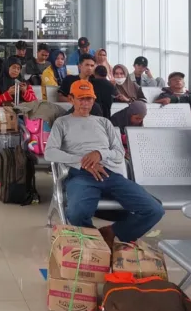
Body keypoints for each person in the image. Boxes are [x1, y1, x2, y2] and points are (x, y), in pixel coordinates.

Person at [44, 81, 164, 249]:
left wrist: (100, 154)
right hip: (80, 175)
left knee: (154, 209)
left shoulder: (104, 122)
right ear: (71, 99)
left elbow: (119, 153)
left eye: (89, 99)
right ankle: (95, 241)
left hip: (109, 173)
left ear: (94, 101)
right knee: (76, 213)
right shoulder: (62, 123)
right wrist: (83, 162)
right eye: (81, 99)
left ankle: (112, 232)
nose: (85, 103)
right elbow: (50, 152)